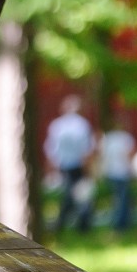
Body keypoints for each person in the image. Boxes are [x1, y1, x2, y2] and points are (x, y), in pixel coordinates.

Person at [44, 95, 95, 233]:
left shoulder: (57, 125)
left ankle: (61, 224)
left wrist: (52, 166)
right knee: (81, 196)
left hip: (63, 165)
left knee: (69, 194)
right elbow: (87, 149)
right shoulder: (82, 124)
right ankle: (82, 225)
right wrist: (88, 169)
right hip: (78, 165)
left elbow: (50, 148)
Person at [98, 119, 136, 231]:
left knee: (117, 198)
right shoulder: (126, 138)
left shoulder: (108, 139)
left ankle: (120, 221)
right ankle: (121, 223)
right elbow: (130, 155)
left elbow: (102, 156)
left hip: (110, 172)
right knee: (123, 199)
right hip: (123, 172)